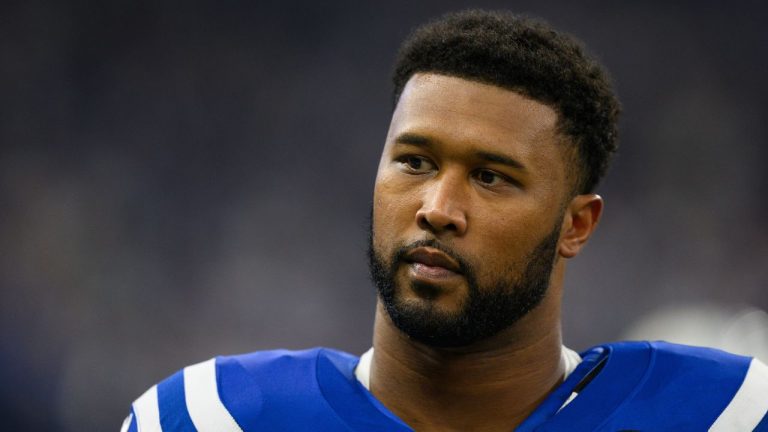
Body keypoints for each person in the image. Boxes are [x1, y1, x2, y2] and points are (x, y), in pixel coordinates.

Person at [122, 10, 768, 431]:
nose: (437, 208)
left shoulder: (726, 416)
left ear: (577, 226)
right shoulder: (210, 418)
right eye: (414, 161)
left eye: (491, 178)